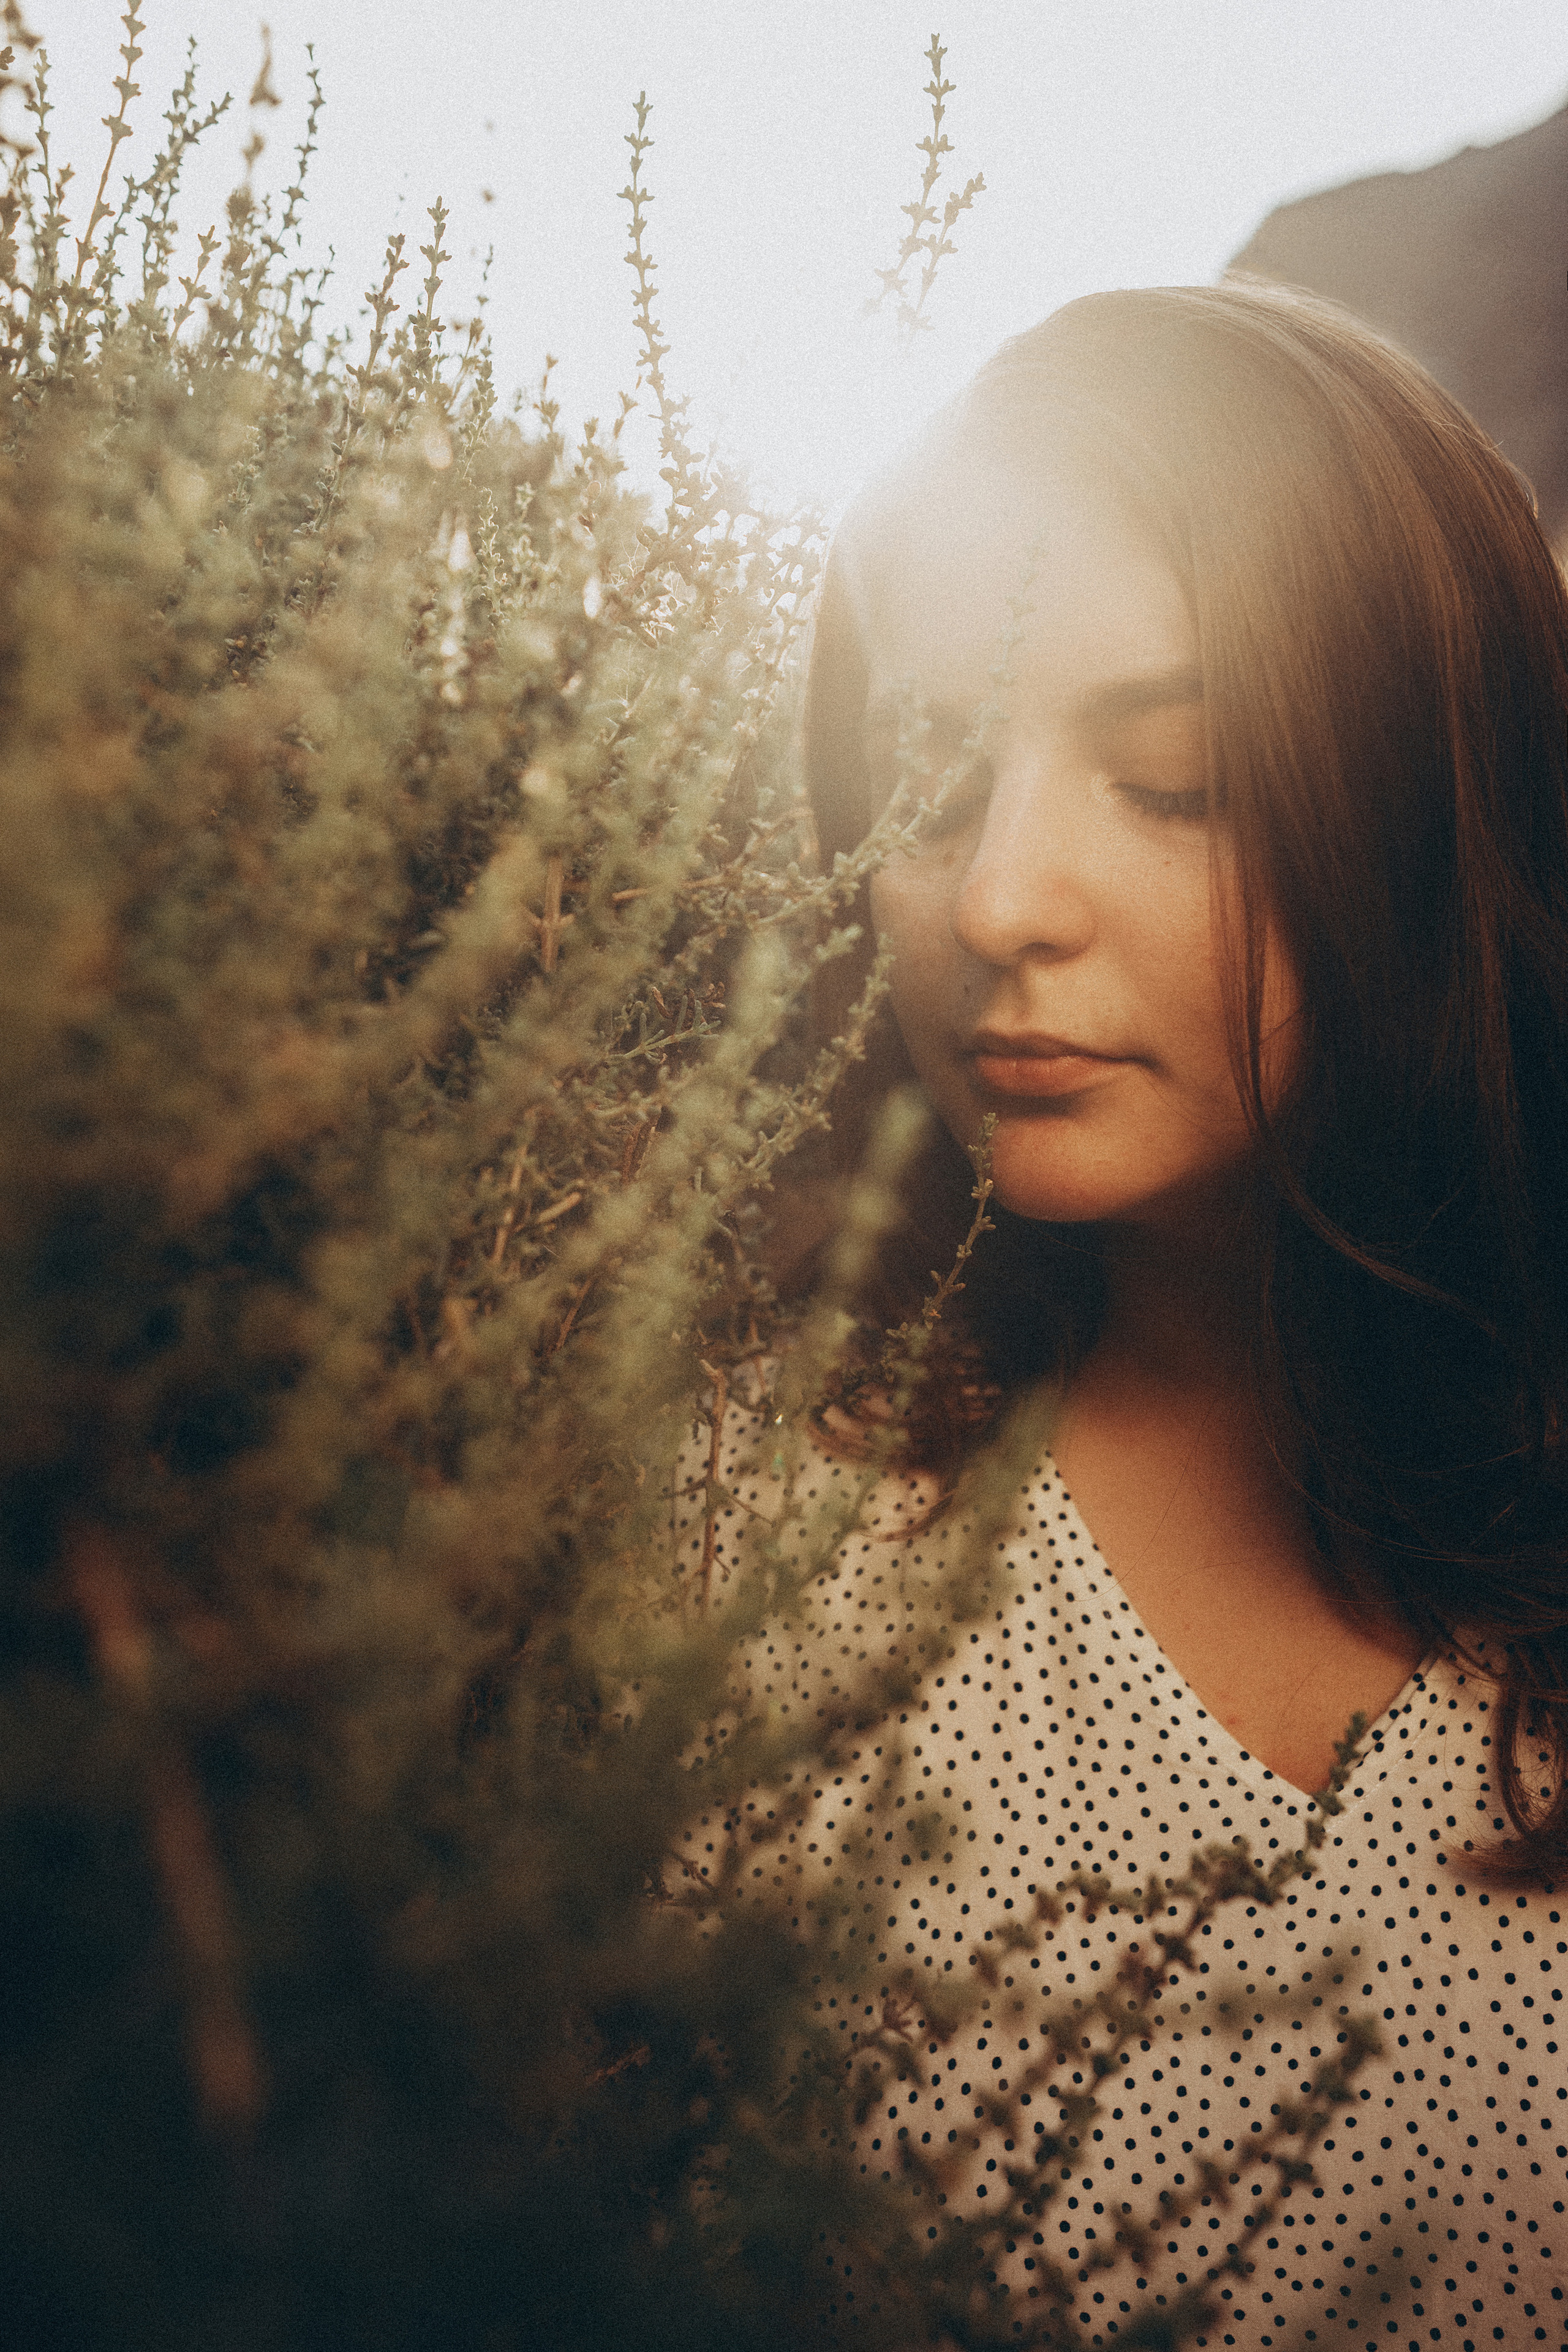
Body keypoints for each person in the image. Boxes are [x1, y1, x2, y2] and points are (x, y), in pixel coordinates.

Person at [679, 284, 1568, 2348]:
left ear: (1438, 812)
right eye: (927, 768)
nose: (999, 898)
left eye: (1172, 779)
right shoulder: (737, 1530)